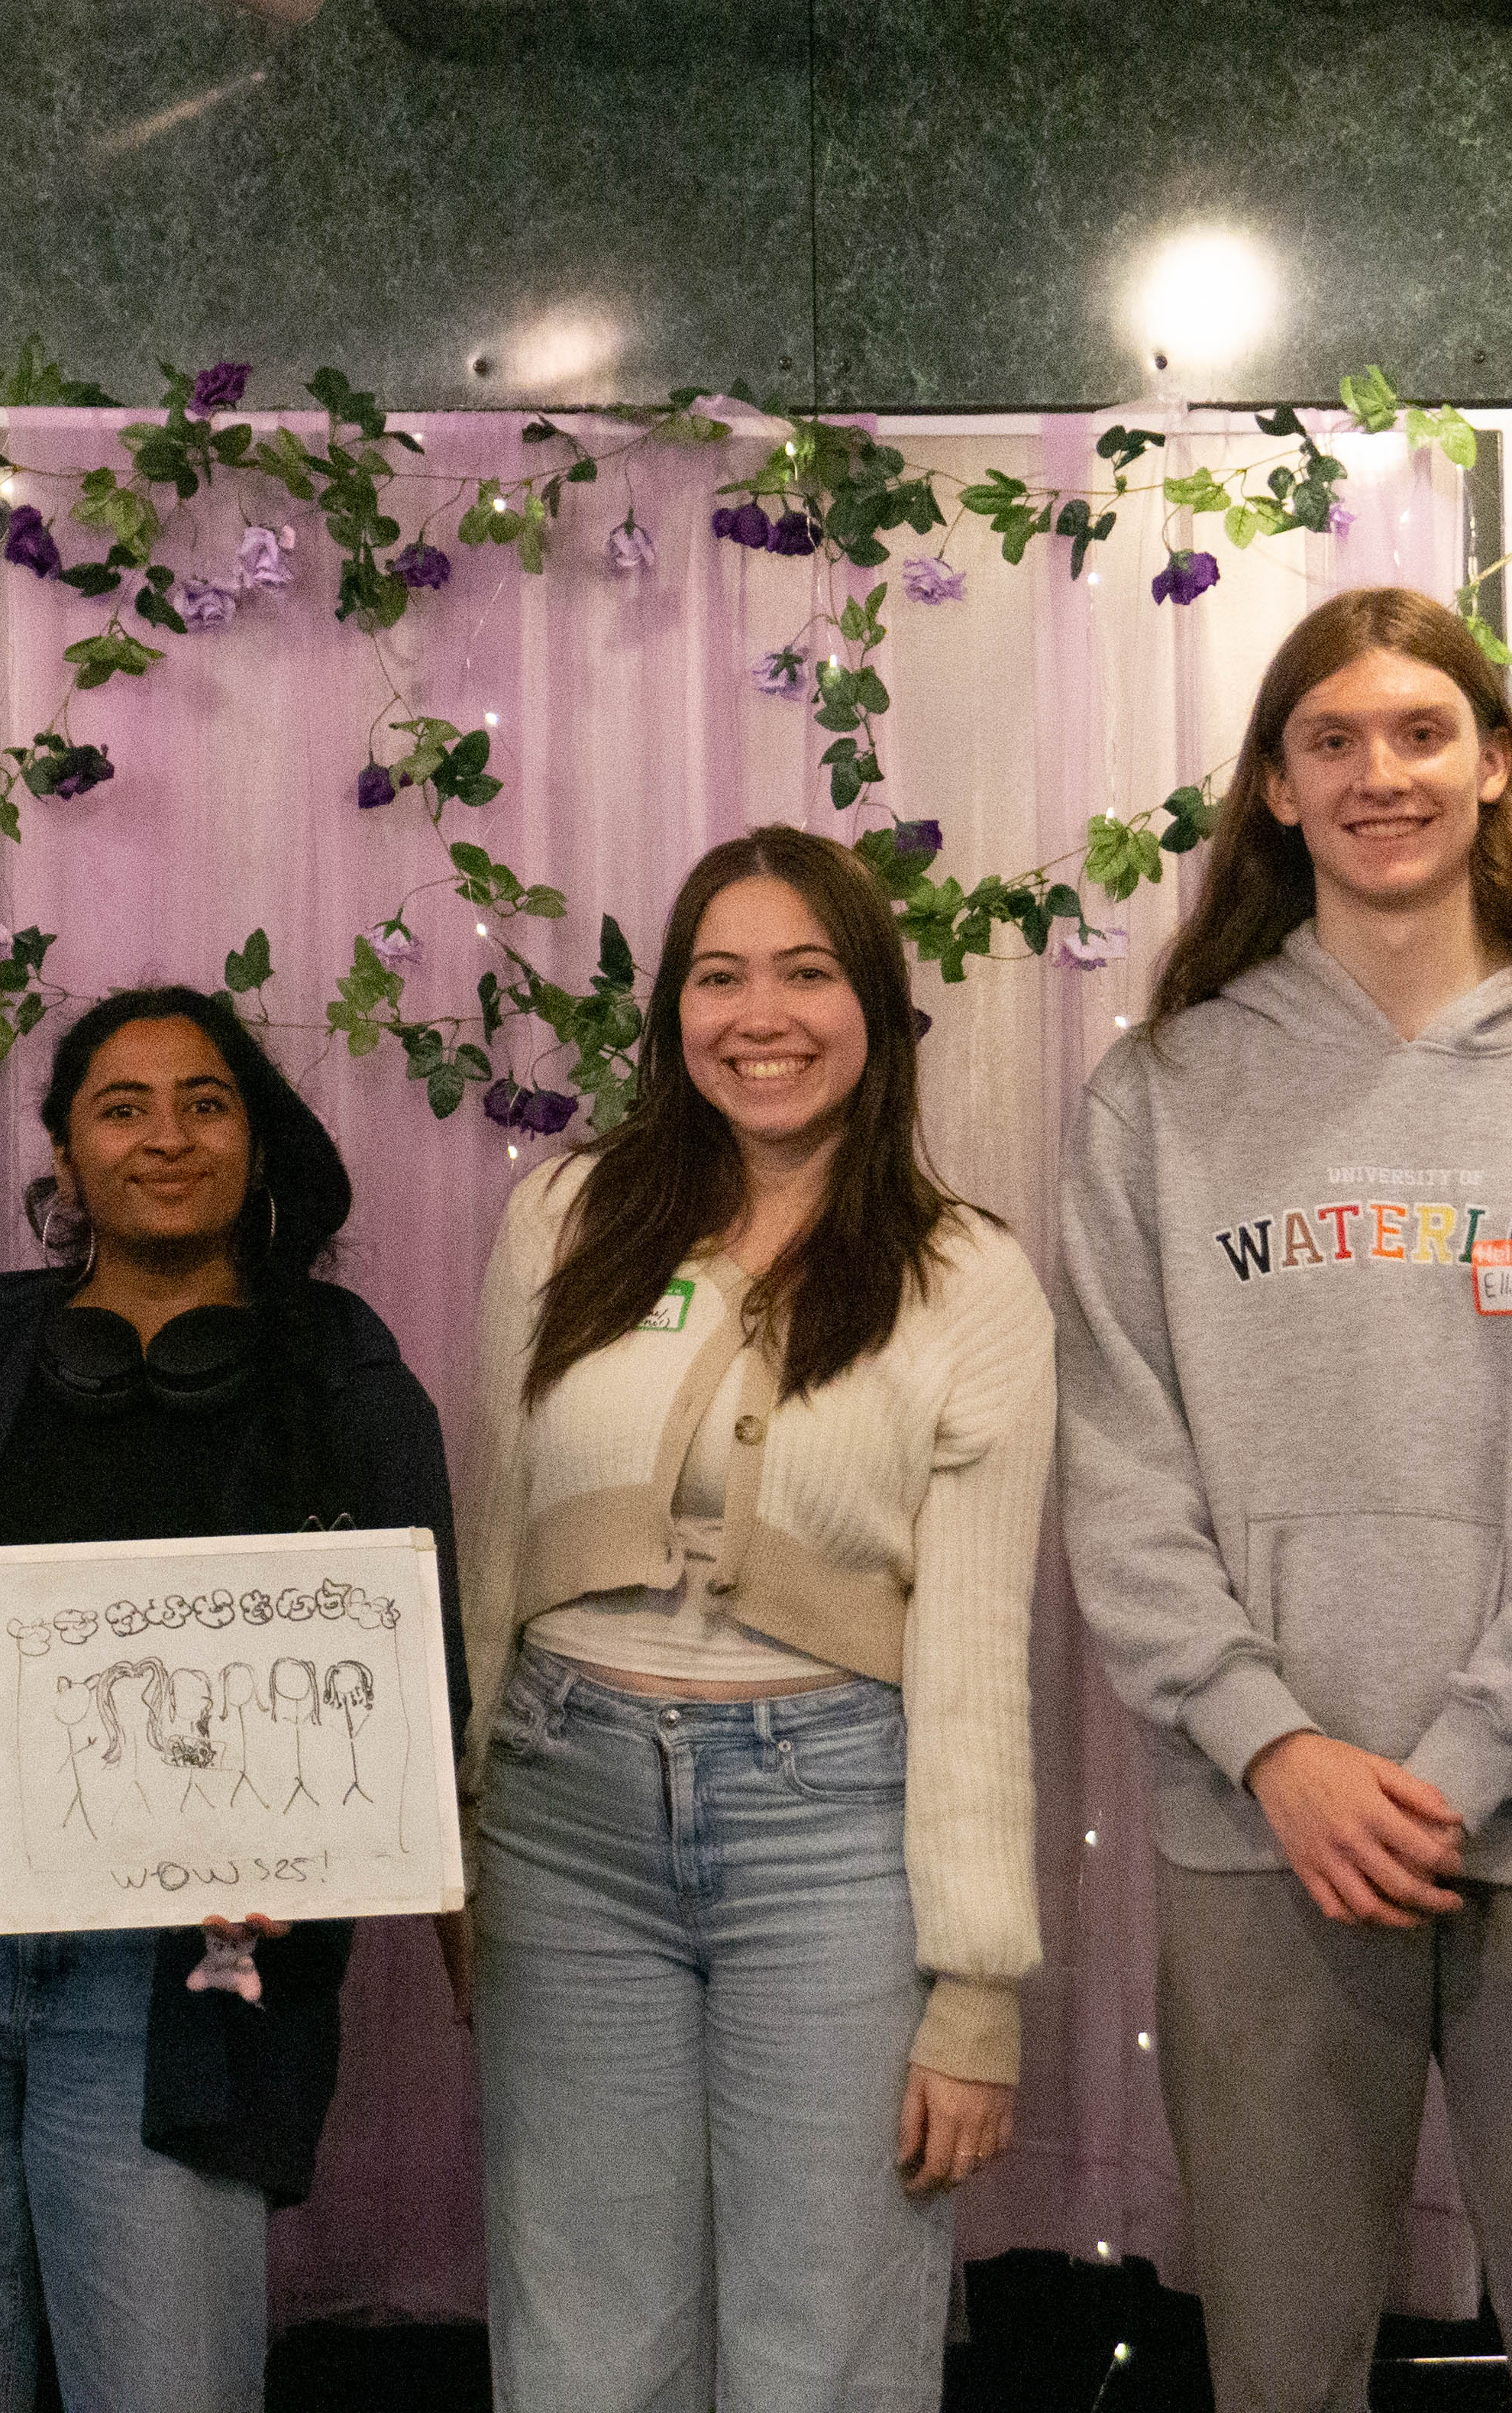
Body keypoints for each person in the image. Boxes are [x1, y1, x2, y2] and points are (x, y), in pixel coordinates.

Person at [1054, 586, 1512, 2413]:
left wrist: (1462, 1763)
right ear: (1278, 791)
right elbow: (1123, 1474)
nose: (1384, 773)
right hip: (1259, 1839)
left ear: (1496, 764)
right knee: (1279, 2374)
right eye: (1334, 740)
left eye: (1424, 731)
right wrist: (1276, 1747)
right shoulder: (1157, 1093)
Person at [0, 985, 461, 2413]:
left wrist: (314, 1861)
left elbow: (409, 1709)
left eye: (207, 1103)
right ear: (65, 1160)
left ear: (258, 1147)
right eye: (121, 1108)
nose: (167, 1138)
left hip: (179, 2005)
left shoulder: (354, 1395)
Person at [459, 826, 1057, 2411]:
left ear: (874, 1002)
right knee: (585, 2341)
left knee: (828, 2346)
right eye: (718, 975)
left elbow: (980, 1652)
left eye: (806, 971)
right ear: (671, 1012)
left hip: (835, 1829)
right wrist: (443, 1819)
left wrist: (978, 1985)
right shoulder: (566, 1216)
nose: (759, 1012)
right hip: (562, 1811)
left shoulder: (966, 1273)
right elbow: (491, 1542)